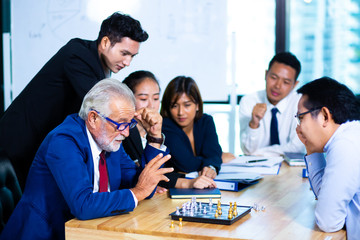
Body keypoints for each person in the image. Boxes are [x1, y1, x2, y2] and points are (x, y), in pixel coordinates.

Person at [0, 79, 173, 240]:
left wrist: (155, 137)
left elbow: (143, 184)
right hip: (44, 234)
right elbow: (83, 205)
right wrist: (139, 191)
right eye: (121, 124)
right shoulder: (63, 141)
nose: (126, 133)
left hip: (87, 230)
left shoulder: (110, 142)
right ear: (93, 118)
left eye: (130, 124)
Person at [0, 12, 149, 191]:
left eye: (133, 56)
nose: (127, 62)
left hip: (38, 145)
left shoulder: (100, 66)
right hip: (18, 142)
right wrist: (143, 167)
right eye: (124, 53)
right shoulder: (78, 55)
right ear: (105, 42)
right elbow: (108, 111)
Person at [122, 71, 216, 189]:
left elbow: (159, 171)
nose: (151, 106)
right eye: (143, 98)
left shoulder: (154, 130)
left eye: (156, 98)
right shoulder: (123, 132)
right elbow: (140, 175)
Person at [295, 77, 360, 240]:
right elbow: (324, 196)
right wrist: (311, 148)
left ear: (324, 115)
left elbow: (328, 221)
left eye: (301, 118)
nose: (299, 127)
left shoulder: (346, 145)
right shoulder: (350, 135)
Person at [160, 76, 234, 179]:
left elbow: (213, 153)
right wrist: (216, 159)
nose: (180, 112)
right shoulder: (165, 126)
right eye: (174, 106)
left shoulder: (206, 121)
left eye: (187, 105)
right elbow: (186, 165)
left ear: (198, 105)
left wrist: (212, 162)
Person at [239, 52, 305, 156]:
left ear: (295, 85)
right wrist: (254, 123)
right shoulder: (249, 101)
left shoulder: (301, 104)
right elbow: (248, 150)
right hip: (257, 168)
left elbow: (297, 148)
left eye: (286, 82)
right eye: (273, 78)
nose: (277, 86)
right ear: (266, 74)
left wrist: (258, 153)